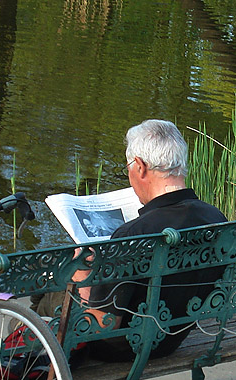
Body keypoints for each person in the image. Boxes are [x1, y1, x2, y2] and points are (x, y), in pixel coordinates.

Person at [75, 119, 227, 362]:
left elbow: (104, 324)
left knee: (51, 296)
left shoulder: (134, 234)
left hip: (125, 346)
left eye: (129, 167)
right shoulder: (215, 218)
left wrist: (82, 274)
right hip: (172, 339)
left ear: (140, 166)